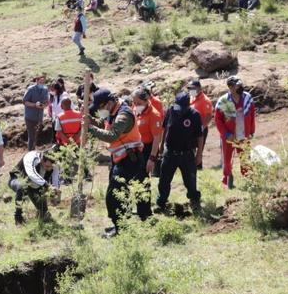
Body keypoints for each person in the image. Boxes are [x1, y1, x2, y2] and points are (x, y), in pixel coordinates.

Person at [87, 90, 150, 238]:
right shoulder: (113, 112)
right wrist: (92, 122)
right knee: (121, 194)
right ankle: (120, 225)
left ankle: (121, 230)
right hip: (120, 158)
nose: (100, 111)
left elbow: (111, 136)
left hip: (130, 159)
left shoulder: (123, 115)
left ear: (109, 103)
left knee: (113, 196)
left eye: (101, 107)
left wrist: (90, 128)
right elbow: (105, 126)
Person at [156, 92, 203, 211]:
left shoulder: (194, 115)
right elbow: (166, 127)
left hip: (187, 154)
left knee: (191, 181)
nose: (179, 110)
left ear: (188, 105)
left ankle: (194, 201)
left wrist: (199, 154)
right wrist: (161, 146)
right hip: (170, 153)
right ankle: (161, 202)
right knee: (164, 180)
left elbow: (200, 136)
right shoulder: (171, 111)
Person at [214, 76, 256, 189]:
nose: (240, 87)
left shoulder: (247, 98)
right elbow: (218, 120)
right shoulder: (224, 101)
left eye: (240, 85)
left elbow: (252, 114)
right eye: (237, 86)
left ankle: (249, 179)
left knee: (245, 157)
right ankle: (227, 180)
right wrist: (226, 134)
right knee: (227, 159)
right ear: (231, 87)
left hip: (243, 134)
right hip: (229, 136)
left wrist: (252, 130)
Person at [9, 150, 60, 224]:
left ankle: (38, 217)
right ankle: (18, 218)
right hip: (17, 180)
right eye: (47, 166)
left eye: (51, 167)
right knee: (21, 187)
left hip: (36, 187)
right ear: (42, 160)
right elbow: (31, 174)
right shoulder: (31, 157)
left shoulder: (55, 165)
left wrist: (55, 193)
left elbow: (55, 180)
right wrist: (47, 186)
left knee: (44, 213)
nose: (49, 169)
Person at [132, 88, 164, 178]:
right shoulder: (136, 109)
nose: (135, 105)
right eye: (134, 103)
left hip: (147, 149)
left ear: (146, 101)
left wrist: (152, 158)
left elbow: (157, 139)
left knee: (142, 176)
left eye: (139, 103)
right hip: (135, 147)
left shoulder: (154, 115)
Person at [187, 80, 213, 170]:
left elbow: (209, 116)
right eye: (189, 88)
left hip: (201, 129)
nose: (191, 90)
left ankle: (198, 167)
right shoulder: (192, 97)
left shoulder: (205, 100)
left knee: (199, 149)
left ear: (199, 88)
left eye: (193, 88)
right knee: (191, 148)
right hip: (190, 129)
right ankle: (190, 166)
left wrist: (201, 128)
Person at [23, 74, 49, 151]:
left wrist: (44, 105)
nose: (42, 83)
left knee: (36, 136)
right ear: (36, 81)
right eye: (41, 81)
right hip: (30, 117)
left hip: (39, 117)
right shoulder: (31, 89)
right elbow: (25, 101)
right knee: (31, 137)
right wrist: (35, 105)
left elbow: (47, 102)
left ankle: (34, 151)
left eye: (43, 82)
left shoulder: (45, 89)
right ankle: (30, 152)